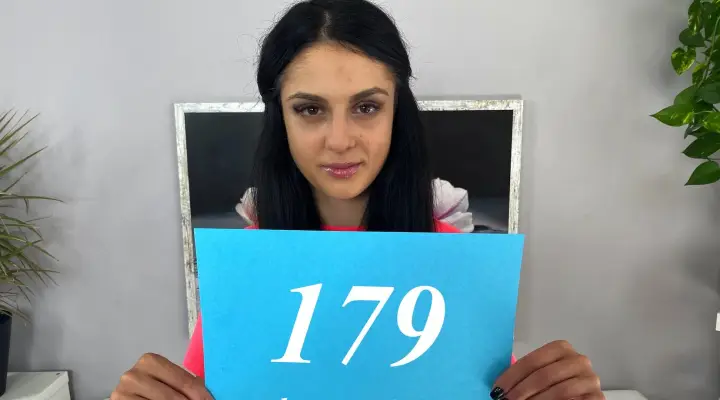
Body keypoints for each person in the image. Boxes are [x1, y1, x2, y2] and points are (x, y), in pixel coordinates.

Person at [110, 0, 604, 399]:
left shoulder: (454, 259)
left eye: (366, 107)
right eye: (310, 110)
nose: (340, 140)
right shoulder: (246, 270)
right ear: (281, 120)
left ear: (396, 114)